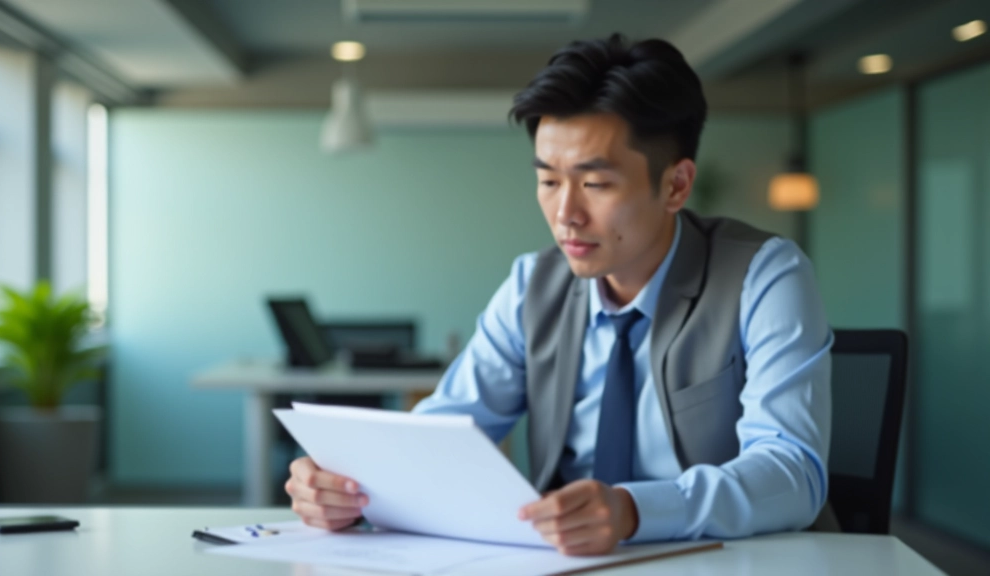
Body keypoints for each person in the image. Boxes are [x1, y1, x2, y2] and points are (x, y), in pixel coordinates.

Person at [286, 34, 834, 556]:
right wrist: (346, 487)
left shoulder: (764, 274)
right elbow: (437, 438)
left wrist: (634, 511)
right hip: (565, 560)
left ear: (676, 185)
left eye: (594, 184)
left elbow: (793, 472)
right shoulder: (531, 286)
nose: (566, 214)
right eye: (549, 181)